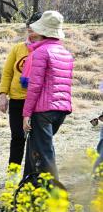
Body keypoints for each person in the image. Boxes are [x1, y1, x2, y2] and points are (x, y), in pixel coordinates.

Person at [21, 11, 73, 181]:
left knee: (44, 154)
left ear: (42, 30)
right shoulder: (65, 53)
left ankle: (53, 191)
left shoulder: (41, 52)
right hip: (61, 110)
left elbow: (35, 86)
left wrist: (26, 114)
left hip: (42, 111)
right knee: (36, 148)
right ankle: (28, 187)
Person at [0, 12, 42, 167]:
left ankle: (35, 172)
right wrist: (3, 96)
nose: (30, 29)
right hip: (17, 100)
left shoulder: (45, 49)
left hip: (38, 101)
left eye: (34, 27)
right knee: (17, 136)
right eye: (29, 26)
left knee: (36, 139)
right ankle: (13, 172)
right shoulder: (18, 48)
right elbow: (7, 73)